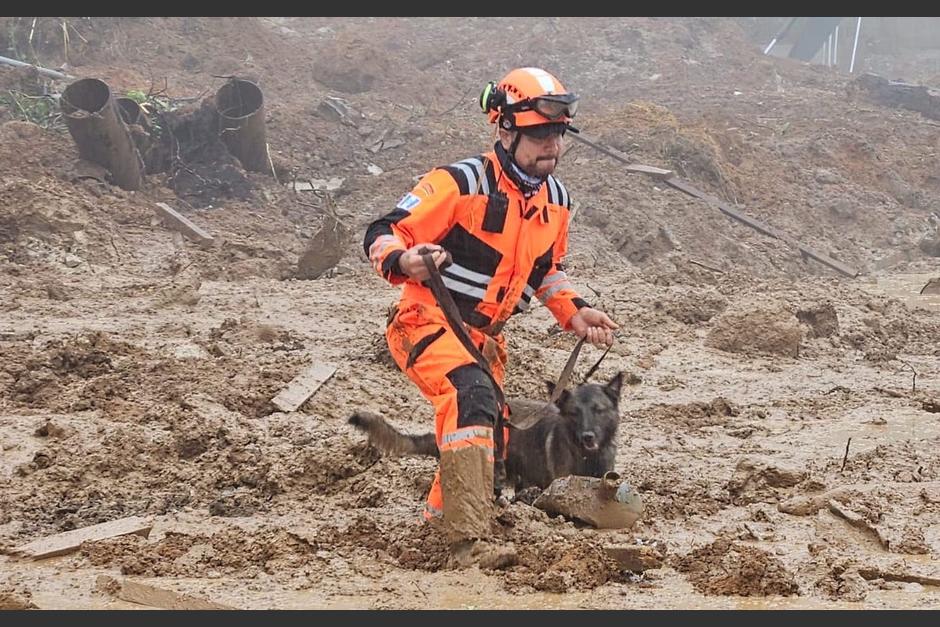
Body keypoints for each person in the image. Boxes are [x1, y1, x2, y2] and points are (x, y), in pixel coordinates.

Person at [362, 67, 618, 568]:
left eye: (559, 134)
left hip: (483, 341)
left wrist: (576, 311)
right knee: (470, 400)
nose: (552, 146)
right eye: (540, 133)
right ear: (505, 129)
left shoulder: (557, 202)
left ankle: (439, 521)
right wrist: (404, 260)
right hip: (425, 319)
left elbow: (547, 273)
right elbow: (382, 231)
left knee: (487, 433)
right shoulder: (459, 182)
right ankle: (466, 542)